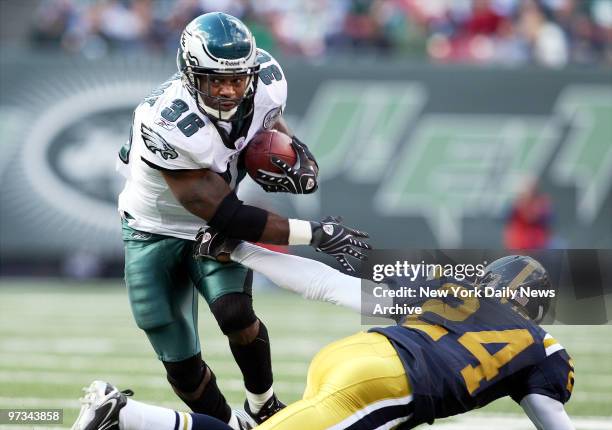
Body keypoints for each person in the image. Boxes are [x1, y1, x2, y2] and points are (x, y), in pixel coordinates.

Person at [115, 12, 370, 430]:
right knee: (180, 362)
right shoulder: (167, 120)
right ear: (189, 73)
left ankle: (263, 405)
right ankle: (228, 426)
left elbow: (267, 124)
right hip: (152, 228)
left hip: (211, 224)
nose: (229, 89)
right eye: (215, 79)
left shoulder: (267, 80)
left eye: (237, 79)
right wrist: (315, 233)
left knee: (235, 312)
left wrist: (287, 150)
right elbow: (224, 213)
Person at [73, 230, 575, 430]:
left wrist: (247, 252)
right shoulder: (542, 345)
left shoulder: (449, 290)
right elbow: (548, 416)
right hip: (388, 382)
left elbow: (329, 286)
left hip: (355, 354)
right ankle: (125, 416)